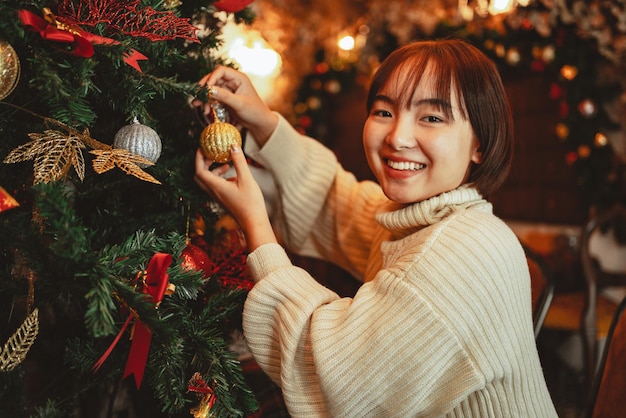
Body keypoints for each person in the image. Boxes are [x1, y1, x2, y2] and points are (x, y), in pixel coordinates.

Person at [194, 38, 558, 417]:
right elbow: (337, 204)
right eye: (384, 111)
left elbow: (337, 383)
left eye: (431, 118)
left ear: (479, 145)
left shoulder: (468, 249)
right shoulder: (423, 219)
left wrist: (255, 225)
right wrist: (264, 121)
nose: (397, 138)